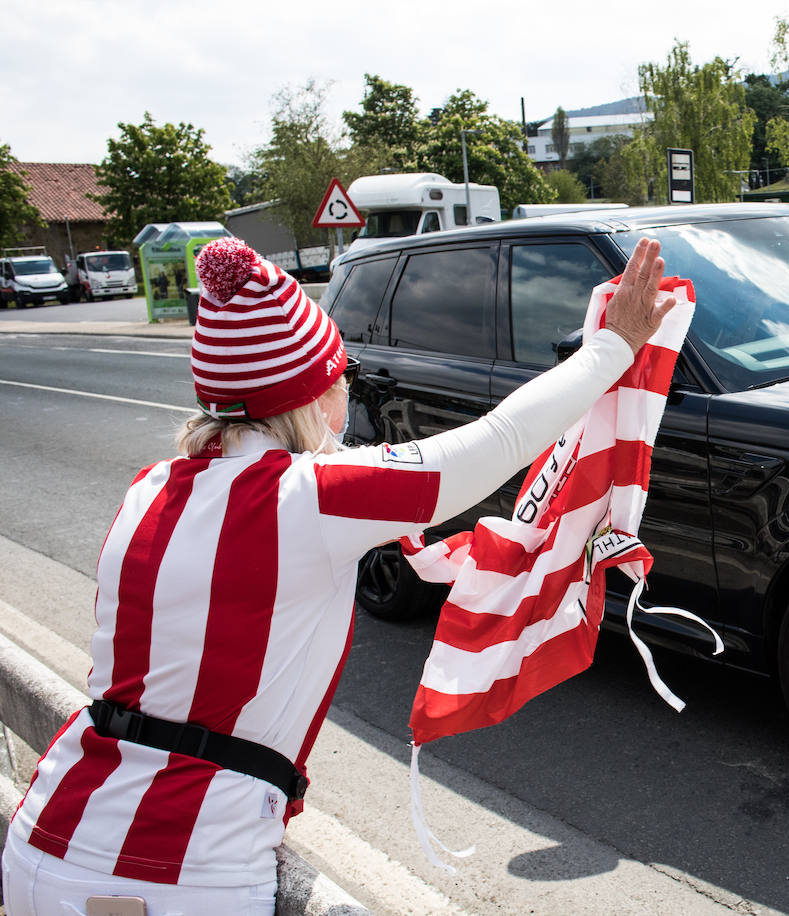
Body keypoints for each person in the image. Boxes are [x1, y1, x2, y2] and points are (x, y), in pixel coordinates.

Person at [2, 236, 678, 915]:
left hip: (46, 829)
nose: (347, 400)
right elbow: (495, 443)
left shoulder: (152, 486)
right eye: (339, 383)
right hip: (173, 873)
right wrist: (614, 347)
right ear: (306, 399)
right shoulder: (307, 494)